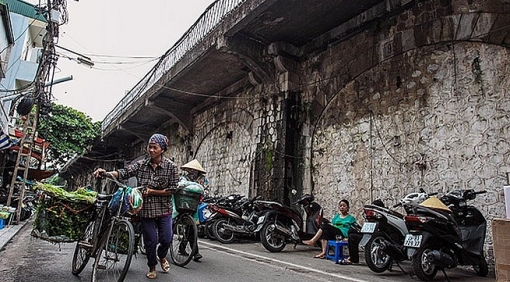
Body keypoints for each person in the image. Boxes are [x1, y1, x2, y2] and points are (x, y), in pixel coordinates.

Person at [93, 133, 178, 279]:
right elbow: (123, 173)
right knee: (150, 240)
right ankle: (152, 266)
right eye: (149, 147)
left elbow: (173, 189)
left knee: (166, 238)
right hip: (145, 210)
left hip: (164, 209)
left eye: (154, 147)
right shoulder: (141, 165)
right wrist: (106, 173)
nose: (151, 150)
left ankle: (162, 256)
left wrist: (152, 191)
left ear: (162, 149)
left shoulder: (171, 167)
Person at [179, 159, 208, 262]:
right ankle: (195, 252)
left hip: (197, 206)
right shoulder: (184, 179)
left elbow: (206, 190)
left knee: (191, 228)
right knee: (191, 228)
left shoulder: (203, 180)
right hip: (185, 204)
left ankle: (182, 247)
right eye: (190, 170)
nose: (192, 172)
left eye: (194, 170)